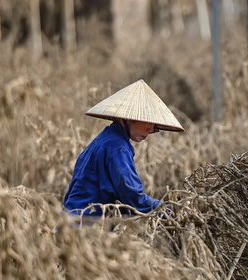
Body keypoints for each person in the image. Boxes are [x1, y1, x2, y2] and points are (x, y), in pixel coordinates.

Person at [63, 79, 184, 220]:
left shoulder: (103, 140)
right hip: (86, 225)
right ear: (130, 117)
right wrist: (168, 211)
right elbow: (132, 197)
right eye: (148, 121)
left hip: (71, 222)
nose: (151, 128)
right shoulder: (118, 148)